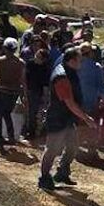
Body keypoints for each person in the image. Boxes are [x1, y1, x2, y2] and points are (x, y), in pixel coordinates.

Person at [39, 48, 97, 190]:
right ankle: (44, 178)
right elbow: (69, 102)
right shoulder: (61, 77)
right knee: (52, 149)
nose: (81, 64)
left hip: (68, 118)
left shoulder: (70, 72)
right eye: (79, 60)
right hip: (58, 117)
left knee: (72, 145)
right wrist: (86, 118)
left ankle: (62, 172)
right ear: (71, 61)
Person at [0, 38, 27, 152]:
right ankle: (11, 135)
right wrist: (24, 95)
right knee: (7, 113)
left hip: (1, 91)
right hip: (13, 92)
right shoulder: (21, 63)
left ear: (4, 48)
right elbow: (23, 81)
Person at [76, 42, 104, 156]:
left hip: (77, 100)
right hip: (92, 100)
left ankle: (76, 146)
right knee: (93, 124)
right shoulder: (96, 67)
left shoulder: (76, 65)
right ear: (90, 53)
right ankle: (91, 148)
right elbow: (101, 85)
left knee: (78, 123)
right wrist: (102, 98)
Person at [24, 48, 50, 140]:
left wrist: (45, 96)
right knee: (26, 111)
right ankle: (26, 128)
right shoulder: (30, 63)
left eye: (39, 57)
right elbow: (25, 77)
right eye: (36, 55)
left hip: (36, 92)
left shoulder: (45, 68)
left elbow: (45, 84)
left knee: (33, 112)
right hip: (27, 89)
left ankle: (31, 131)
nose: (36, 58)